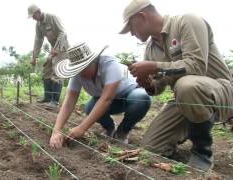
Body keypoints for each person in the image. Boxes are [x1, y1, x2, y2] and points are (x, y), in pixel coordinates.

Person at [119, 0, 233, 171]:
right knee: (150, 149)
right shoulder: (151, 49)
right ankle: (192, 126)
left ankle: (202, 153)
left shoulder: (187, 22)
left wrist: (155, 66)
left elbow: (196, 66)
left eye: (131, 27)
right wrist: (148, 83)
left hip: (221, 91)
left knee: (186, 85)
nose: (131, 33)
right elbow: (159, 87)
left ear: (142, 17)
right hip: (185, 100)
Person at [49, 42, 152, 148]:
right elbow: (69, 102)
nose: (81, 73)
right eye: (78, 69)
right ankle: (110, 127)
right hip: (108, 101)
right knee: (89, 108)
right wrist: (56, 130)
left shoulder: (109, 64)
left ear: (92, 62)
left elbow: (106, 99)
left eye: (83, 68)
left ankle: (123, 131)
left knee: (141, 98)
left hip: (128, 95)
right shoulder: (78, 74)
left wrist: (82, 128)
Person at [28, 4, 70, 107]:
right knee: (46, 69)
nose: (33, 18)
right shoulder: (38, 24)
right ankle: (47, 97)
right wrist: (34, 57)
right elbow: (38, 40)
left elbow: (63, 33)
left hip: (62, 48)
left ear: (39, 12)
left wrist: (57, 48)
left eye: (33, 16)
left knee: (57, 71)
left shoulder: (52, 17)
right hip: (53, 49)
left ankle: (55, 101)